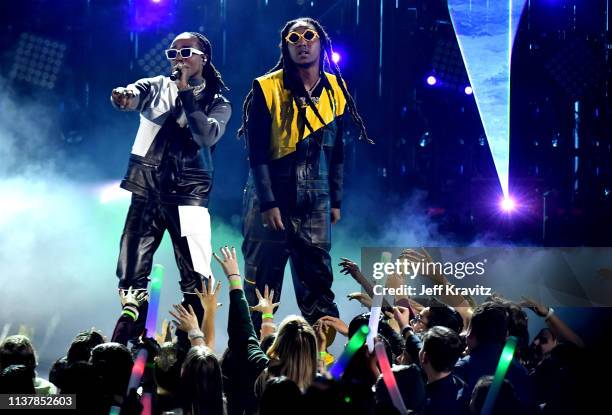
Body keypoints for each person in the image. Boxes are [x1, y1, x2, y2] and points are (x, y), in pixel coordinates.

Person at [238, 17, 371, 329]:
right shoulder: (267, 87)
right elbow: (256, 152)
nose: (302, 42)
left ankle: (319, 365)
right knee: (262, 287)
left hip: (316, 200)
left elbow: (338, 150)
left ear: (321, 42)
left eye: (308, 35)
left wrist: (334, 199)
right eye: (293, 37)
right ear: (285, 46)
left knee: (318, 286)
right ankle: (253, 362)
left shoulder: (337, 89)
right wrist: (268, 203)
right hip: (271, 200)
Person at [110, 31, 231, 342]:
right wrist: (125, 96)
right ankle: (133, 344)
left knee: (197, 279)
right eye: (173, 53)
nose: (179, 58)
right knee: (131, 271)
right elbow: (136, 93)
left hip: (189, 199)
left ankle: (189, 346)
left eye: (186, 51)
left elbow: (205, 136)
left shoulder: (218, 103)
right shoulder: (156, 87)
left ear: (204, 58)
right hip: (146, 192)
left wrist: (186, 93)